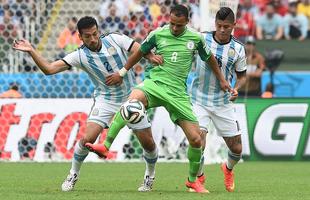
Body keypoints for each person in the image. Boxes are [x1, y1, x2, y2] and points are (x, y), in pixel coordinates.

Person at [85, 4, 231, 193]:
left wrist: (222, 80)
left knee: (196, 140)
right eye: (172, 23)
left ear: (187, 22)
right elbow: (139, 51)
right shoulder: (158, 34)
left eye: (179, 25)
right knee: (132, 102)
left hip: (178, 93)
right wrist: (125, 70)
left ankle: (193, 180)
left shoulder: (196, 38)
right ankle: (105, 145)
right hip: (155, 83)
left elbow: (209, 58)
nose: (174, 28)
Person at [12, 16, 163, 192]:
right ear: (80, 37)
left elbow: (137, 47)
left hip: (132, 98)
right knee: (87, 139)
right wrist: (31, 50)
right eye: (87, 36)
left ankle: (149, 176)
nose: (92, 39)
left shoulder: (115, 39)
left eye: (95, 34)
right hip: (105, 100)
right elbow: (49, 69)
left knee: (149, 144)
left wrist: (150, 56)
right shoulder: (80, 56)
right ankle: (73, 174)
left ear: (98, 31)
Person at [189, 7, 247, 192]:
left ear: (234, 26)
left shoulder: (238, 49)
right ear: (215, 24)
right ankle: (198, 176)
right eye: (219, 26)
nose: (222, 30)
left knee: (237, 149)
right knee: (198, 141)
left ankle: (228, 169)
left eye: (226, 27)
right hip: (198, 100)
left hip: (223, 102)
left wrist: (236, 89)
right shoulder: (201, 39)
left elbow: (242, 76)